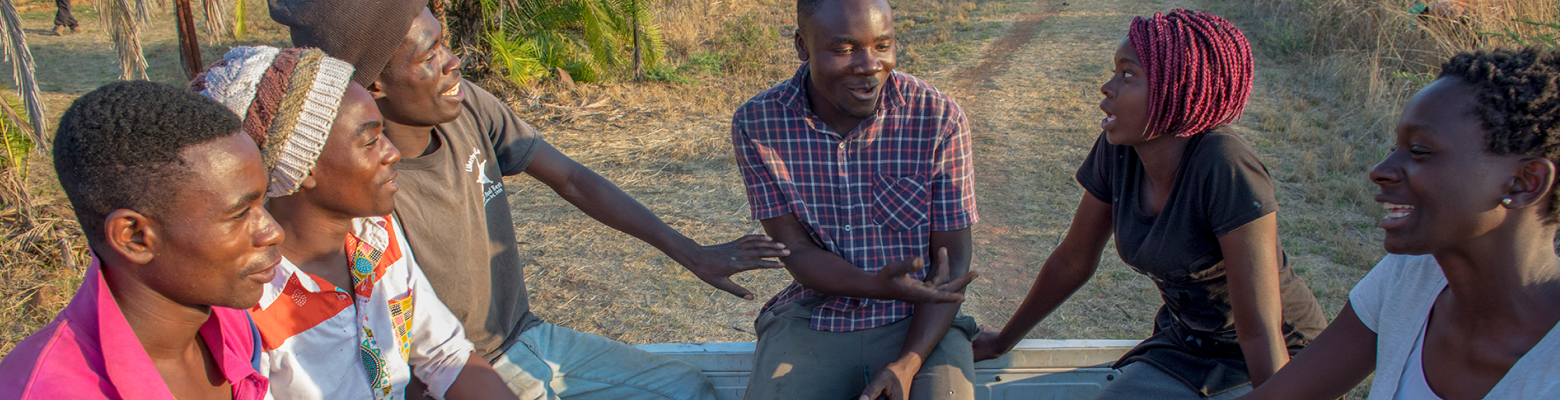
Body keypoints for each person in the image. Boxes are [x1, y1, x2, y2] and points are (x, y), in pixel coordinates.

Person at [265, 0, 790, 398]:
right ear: (372, 85)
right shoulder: (365, 190)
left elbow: (573, 180)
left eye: (444, 43)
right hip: (447, 374)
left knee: (687, 388)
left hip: (518, 337)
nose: (454, 64)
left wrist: (690, 253)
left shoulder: (467, 108)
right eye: (430, 56)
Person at [970, 10, 1328, 399]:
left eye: (1127, 75)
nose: (1107, 87)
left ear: (1176, 89)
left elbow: (1259, 326)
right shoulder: (1118, 151)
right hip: (1188, 346)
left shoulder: (1225, 166)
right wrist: (1003, 341)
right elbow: (1073, 261)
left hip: (1277, 358)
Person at [190, 46, 519, 400]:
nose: (392, 152)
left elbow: (445, 357)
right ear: (307, 168)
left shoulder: (376, 234)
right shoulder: (252, 304)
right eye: (371, 140)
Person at [1239, 48, 1560, 399]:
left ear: (1525, 182)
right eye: (1396, 147)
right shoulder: (1411, 278)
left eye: (1420, 151)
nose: (1380, 170)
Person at [730, 0, 981, 398]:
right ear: (802, 45)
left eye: (883, 46)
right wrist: (874, 284)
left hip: (920, 319)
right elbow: (793, 247)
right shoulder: (759, 123)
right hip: (817, 314)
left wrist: (907, 364)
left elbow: (952, 261)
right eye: (844, 50)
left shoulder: (937, 117)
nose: (868, 65)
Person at [0, 81, 280, 399]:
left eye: (262, 203)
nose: (273, 232)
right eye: (240, 214)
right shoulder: (46, 390)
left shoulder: (229, 323)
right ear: (134, 237)